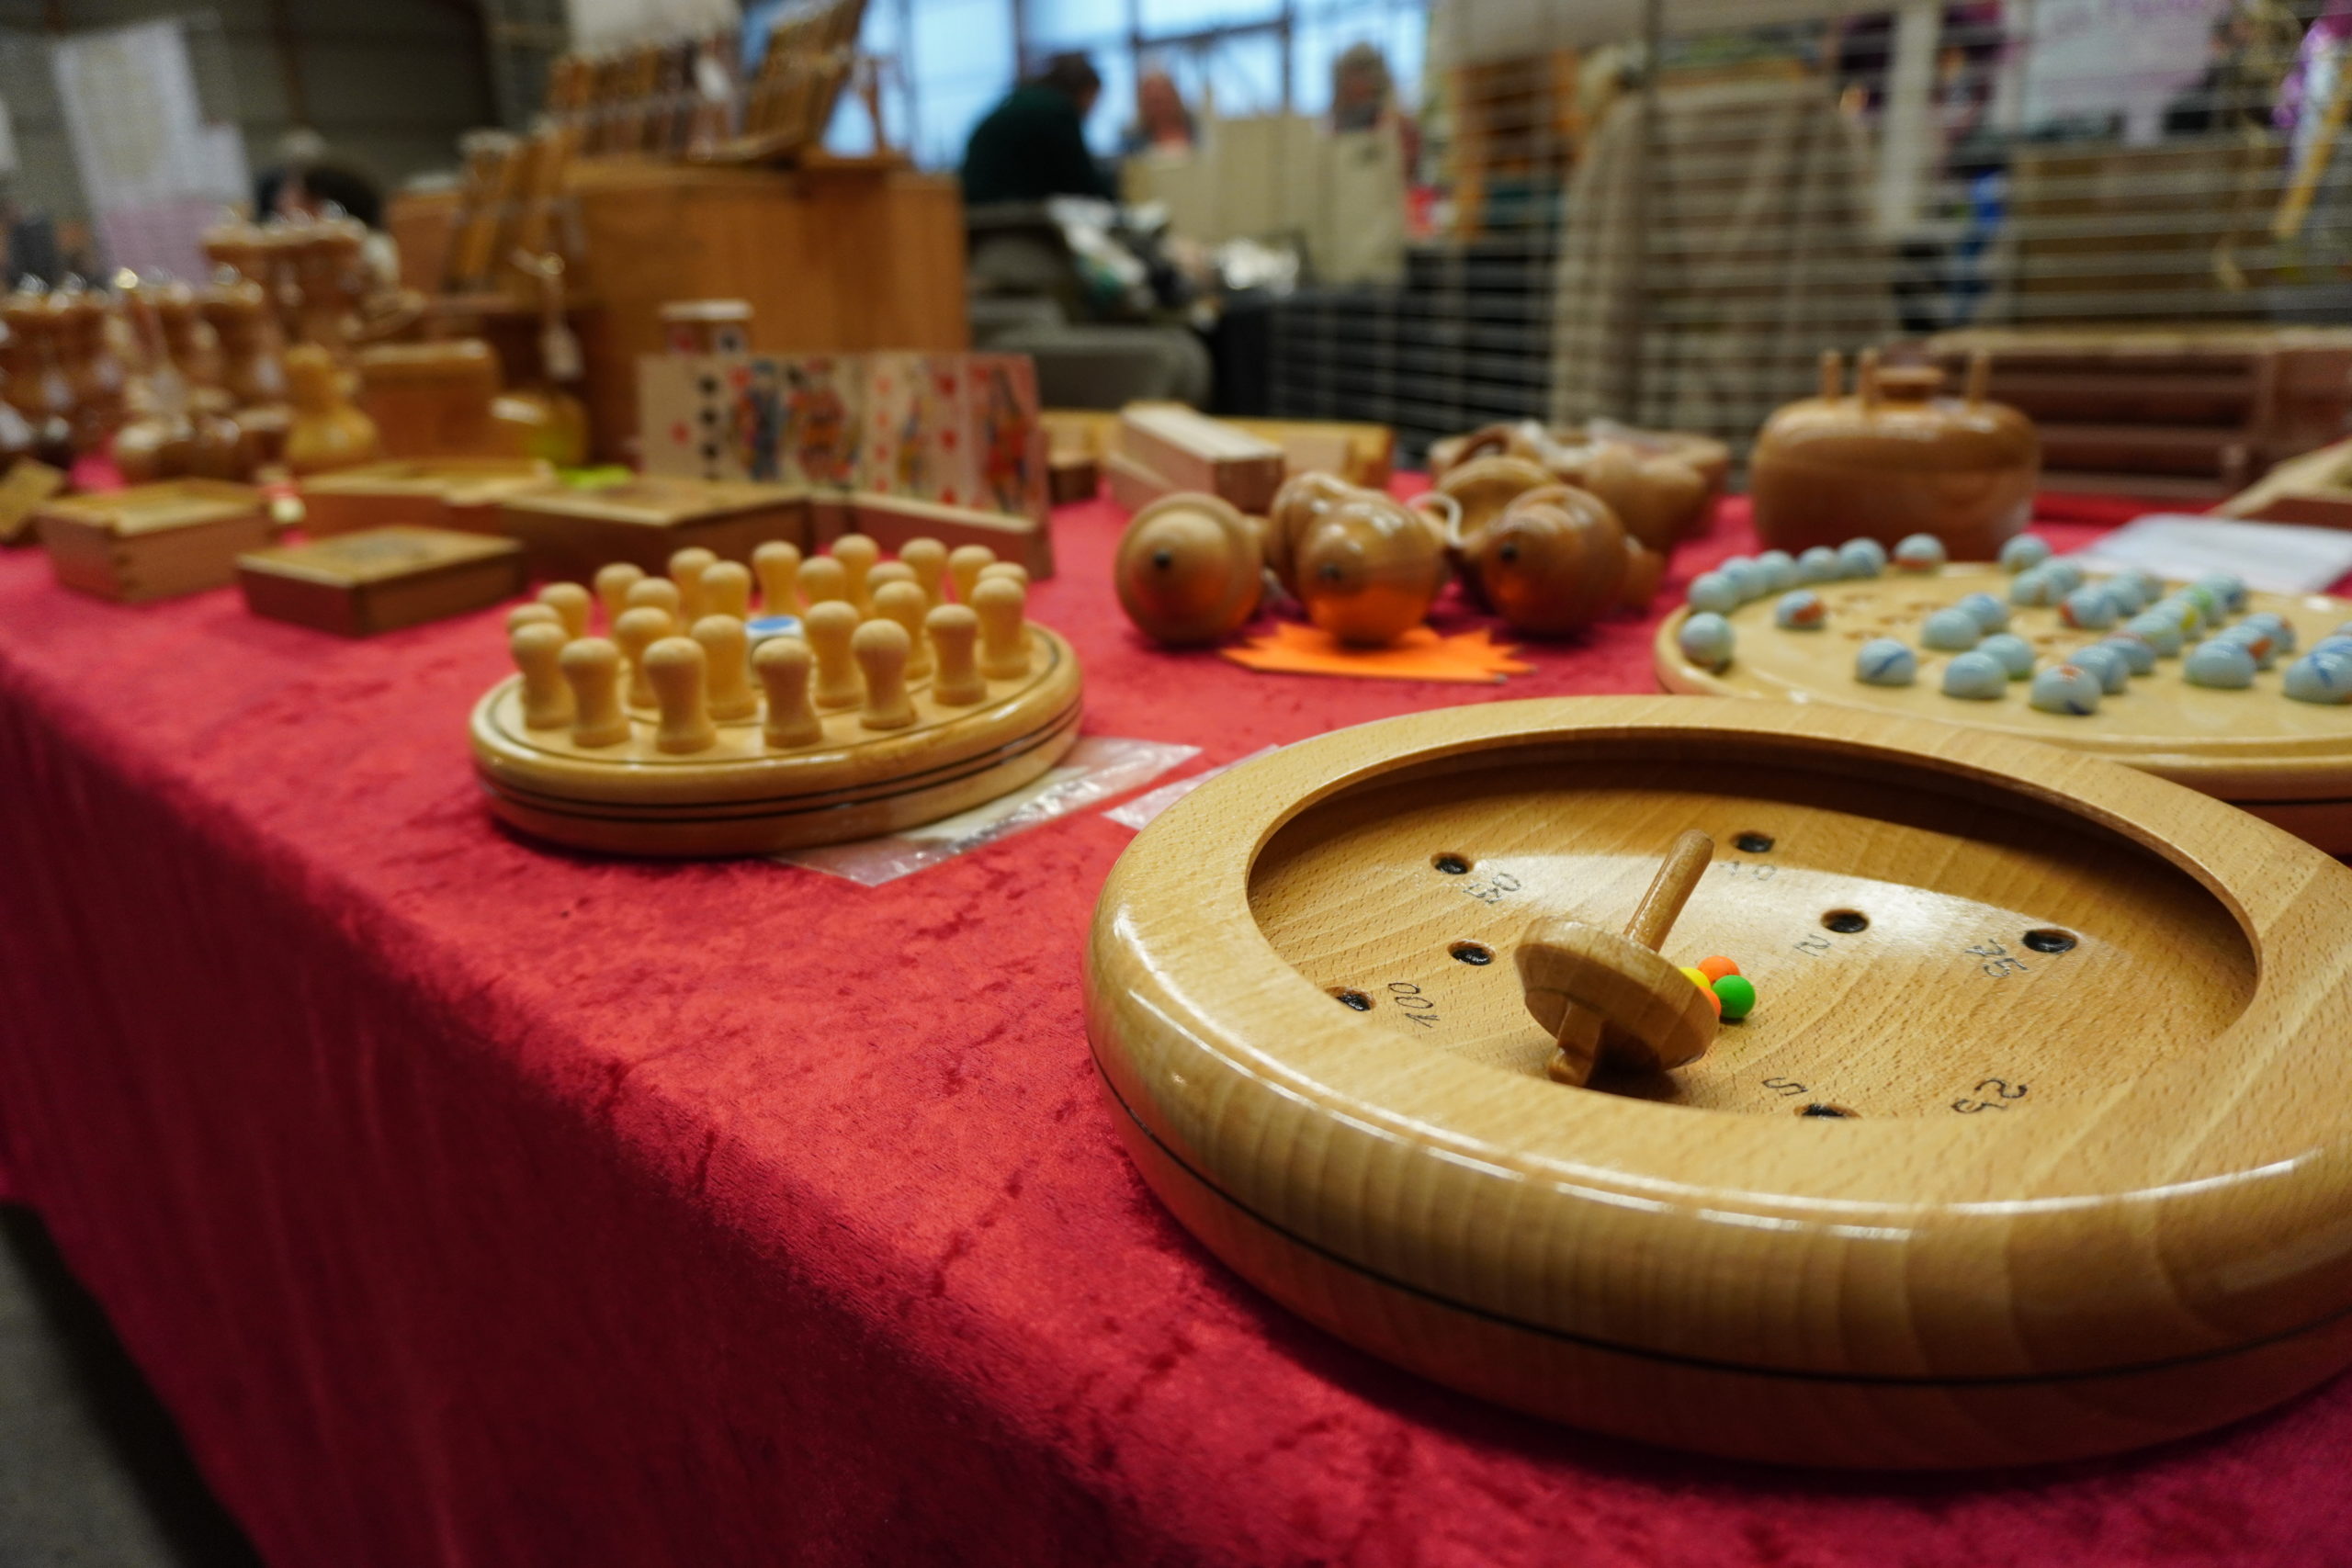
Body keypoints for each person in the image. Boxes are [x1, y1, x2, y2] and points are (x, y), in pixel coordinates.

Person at [960, 53, 1117, 205]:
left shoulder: (1027, 98)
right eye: (1093, 98)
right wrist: (1116, 202)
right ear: (1085, 90)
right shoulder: (1056, 110)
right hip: (1001, 206)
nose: (1093, 108)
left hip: (974, 201)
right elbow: (1080, 178)